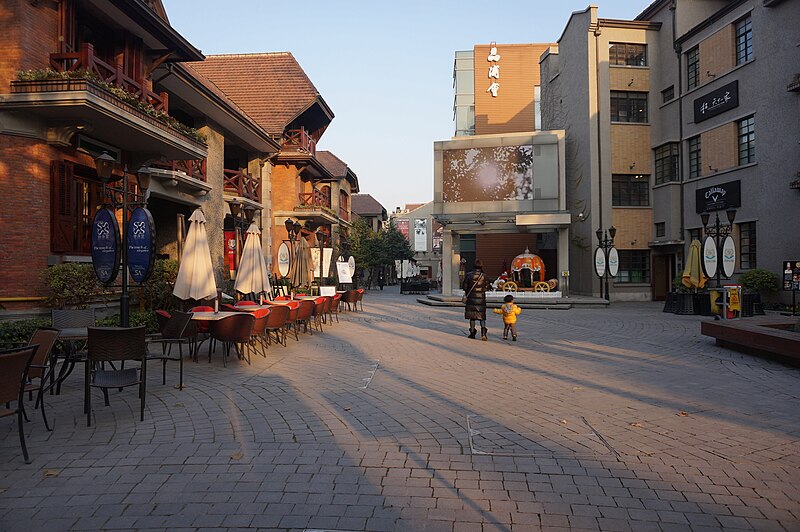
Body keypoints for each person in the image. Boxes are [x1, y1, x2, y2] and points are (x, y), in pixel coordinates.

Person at [462, 259, 488, 340]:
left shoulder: (469, 275)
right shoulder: (484, 276)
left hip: (471, 299)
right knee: (481, 316)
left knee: (472, 316)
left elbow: (465, 287)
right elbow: (487, 287)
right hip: (481, 299)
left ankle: (472, 332)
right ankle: (483, 333)